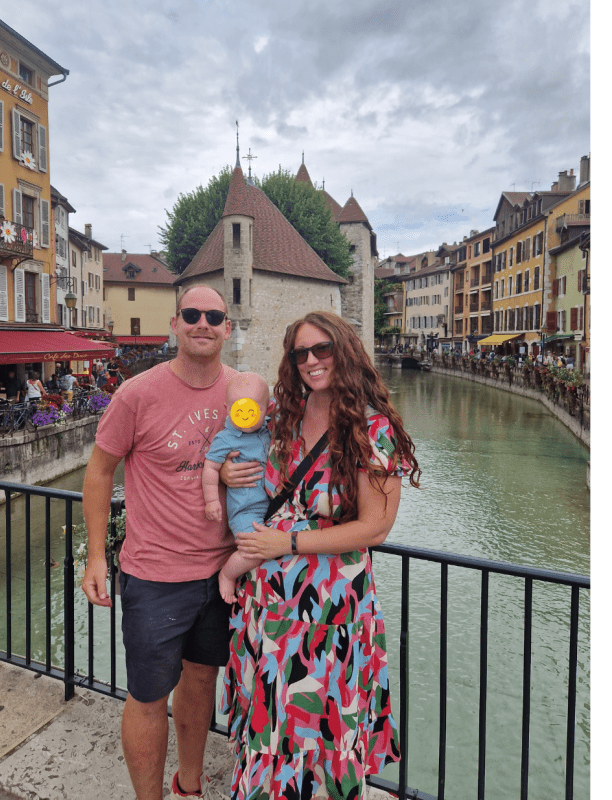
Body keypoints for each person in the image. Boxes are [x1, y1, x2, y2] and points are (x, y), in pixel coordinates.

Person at [219, 311, 421, 800]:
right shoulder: (281, 419)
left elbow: (375, 527)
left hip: (330, 610)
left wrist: (286, 543)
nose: (311, 360)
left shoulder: (372, 428)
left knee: (321, 725)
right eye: (300, 353)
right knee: (271, 722)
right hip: (267, 607)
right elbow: (244, 467)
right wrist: (226, 474)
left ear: (344, 351)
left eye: (322, 349)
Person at [80, 285, 238, 800]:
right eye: (191, 314)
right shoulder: (137, 393)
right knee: (148, 696)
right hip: (154, 574)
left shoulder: (244, 393)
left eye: (214, 316)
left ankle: (188, 787)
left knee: (201, 681)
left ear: (227, 328)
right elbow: (100, 470)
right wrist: (98, 556)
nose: (202, 323)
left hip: (222, 573)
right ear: (175, 325)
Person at [202, 372, 272, 604]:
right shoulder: (226, 438)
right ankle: (227, 574)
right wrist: (212, 501)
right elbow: (210, 468)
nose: (247, 418)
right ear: (228, 409)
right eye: (239, 411)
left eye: (254, 411)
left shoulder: (268, 431)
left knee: (268, 547)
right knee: (253, 552)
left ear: (267, 409)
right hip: (245, 510)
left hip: (270, 509)